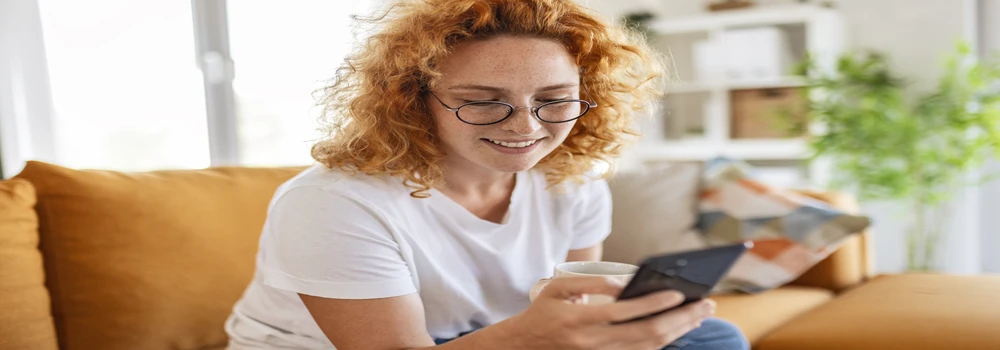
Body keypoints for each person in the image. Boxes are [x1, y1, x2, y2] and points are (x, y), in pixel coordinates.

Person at [225, 0, 750, 349]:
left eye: (554, 101)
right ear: (413, 101)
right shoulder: (332, 203)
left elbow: (572, 297)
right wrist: (532, 336)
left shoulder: (574, 181)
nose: (527, 127)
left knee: (714, 337)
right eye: (481, 102)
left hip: (484, 337)